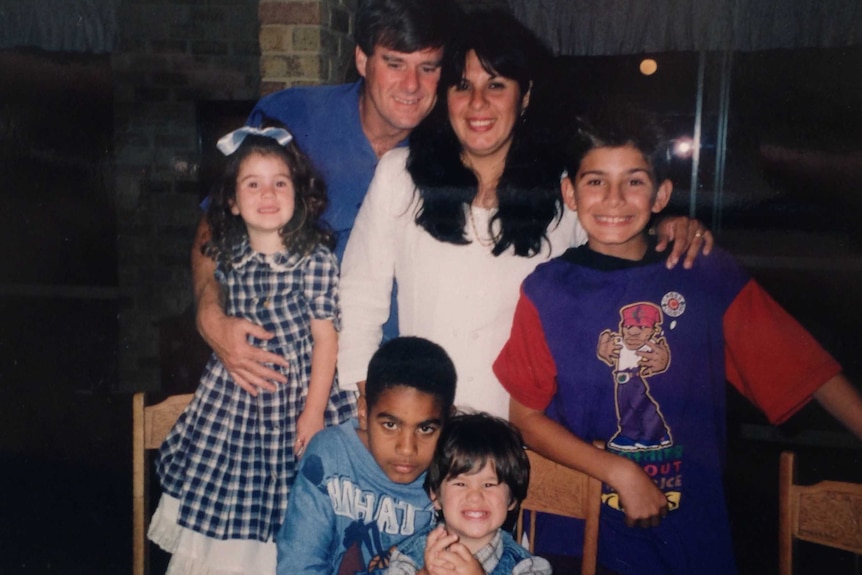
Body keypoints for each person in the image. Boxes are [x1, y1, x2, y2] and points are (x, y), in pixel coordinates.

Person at [493, 104, 862, 575]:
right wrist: (620, 472)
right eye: (595, 181)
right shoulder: (547, 289)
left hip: (686, 520)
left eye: (634, 180)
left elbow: (808, 369)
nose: (614, 198)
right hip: (580, 527)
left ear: (661, 193)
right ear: (569, 192)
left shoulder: (700, 271)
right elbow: (525, 418)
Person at [337, 10, 712, 420]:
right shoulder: (400, 174)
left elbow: (615, 247)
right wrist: (376, 405)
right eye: (463, 86)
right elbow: (359, 297)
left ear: (525, 95)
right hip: (425, 430)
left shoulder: (562, 189)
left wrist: (665, 226)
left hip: (530, 436)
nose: (478, 103)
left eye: (496, 85)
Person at [192, 0, 462, 395]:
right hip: (287, 375)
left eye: (428, 67)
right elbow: (214, 225)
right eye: (394, 63)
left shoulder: (459, 147)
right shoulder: (293, 118)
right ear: (362, 59)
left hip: (403, 386)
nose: (411, 85)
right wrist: (209, 314)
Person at [149, 125, 357, 575]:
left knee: (292, 508)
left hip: (296, 397)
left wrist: (314, 412)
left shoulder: (314, 259)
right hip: (235, 401)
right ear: (231, 201)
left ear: (300, 194)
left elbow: (326, 339)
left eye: (280, 182)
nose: (268, 193)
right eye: (253, 183)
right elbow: (216, 306)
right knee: (230, 494)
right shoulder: (229, 254)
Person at [276, 336, 458, 575]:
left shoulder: (455, 477)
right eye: (390, 425)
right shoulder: (329, 455)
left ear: (449, 421)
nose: (406, 449)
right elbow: (297, 566)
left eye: (425, 429)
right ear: (363, 411)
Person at [386, 412, 552, 575]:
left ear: (512, 499)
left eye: (489, 484)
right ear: (436, 496)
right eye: (460, 483)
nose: (475, 496)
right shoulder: (410, 555)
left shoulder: (528, 568)